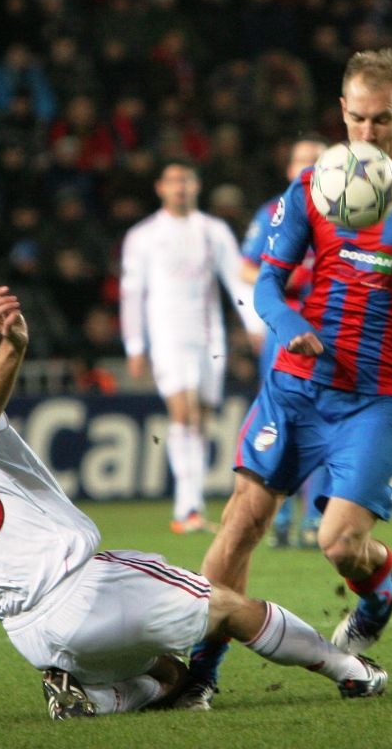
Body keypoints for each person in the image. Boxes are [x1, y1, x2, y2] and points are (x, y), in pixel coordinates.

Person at [0, 293, 388, 723]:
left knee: (170, 675)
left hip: (30, 637)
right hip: (80, 591)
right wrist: (14, 346)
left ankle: (99, 699)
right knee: (230, 605)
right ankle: (350, 671)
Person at [180, 48, 392, 710]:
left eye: (381, 121)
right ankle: (201, 674)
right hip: (298, 380)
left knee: (339, 542)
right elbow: (265, 284)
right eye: (356, 119)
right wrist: (289, 320)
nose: (366, 134)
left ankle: (380, 589)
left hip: (377, 394)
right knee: (241, 522)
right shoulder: (314, 185)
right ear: (342, 112)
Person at [119, 160, 263, 534]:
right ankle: (187, 507)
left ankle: (192, 505)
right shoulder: (143, 235)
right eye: (173, 181)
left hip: (208, 338)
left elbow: (236, 280)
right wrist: (135, 344)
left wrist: (253, 324)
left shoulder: (213, 231)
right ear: (160, 188)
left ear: (196, 186)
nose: (180, 187)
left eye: (186, 180)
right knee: (182, 414)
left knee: (200, 418)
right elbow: (132, 294)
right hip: (167, 336)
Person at [240, 135, 327, 549]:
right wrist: (284, 286)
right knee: (281, 421)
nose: (309, 166)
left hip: (331, 328)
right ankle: (279, 517)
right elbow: (245, 269)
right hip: (286, 328)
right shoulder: (273, 211)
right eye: (302, 160)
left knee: (327, 420)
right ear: (290, 169)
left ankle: (316, 519)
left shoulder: (350, 211)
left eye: (318, 159)